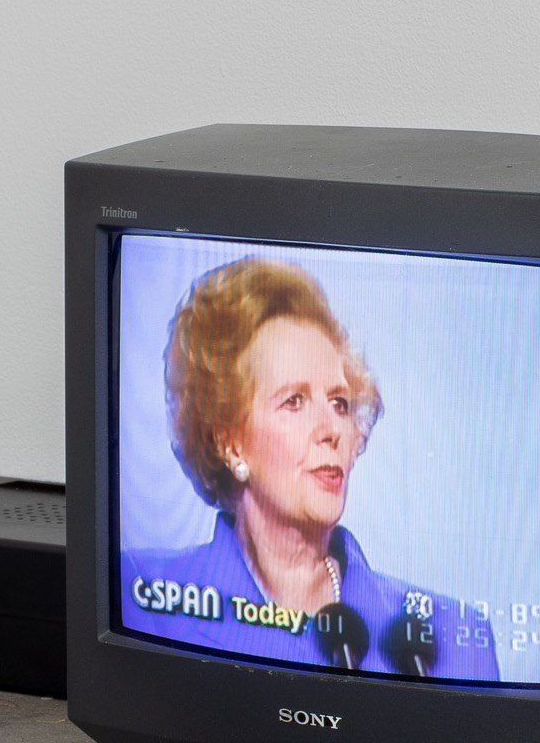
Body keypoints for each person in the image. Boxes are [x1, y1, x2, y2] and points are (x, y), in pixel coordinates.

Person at [121, 258, 497, 680]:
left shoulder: (452, 639)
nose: (331, 429)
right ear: (231, 441)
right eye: (294, 401)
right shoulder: (144, 595)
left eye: (339, 403)